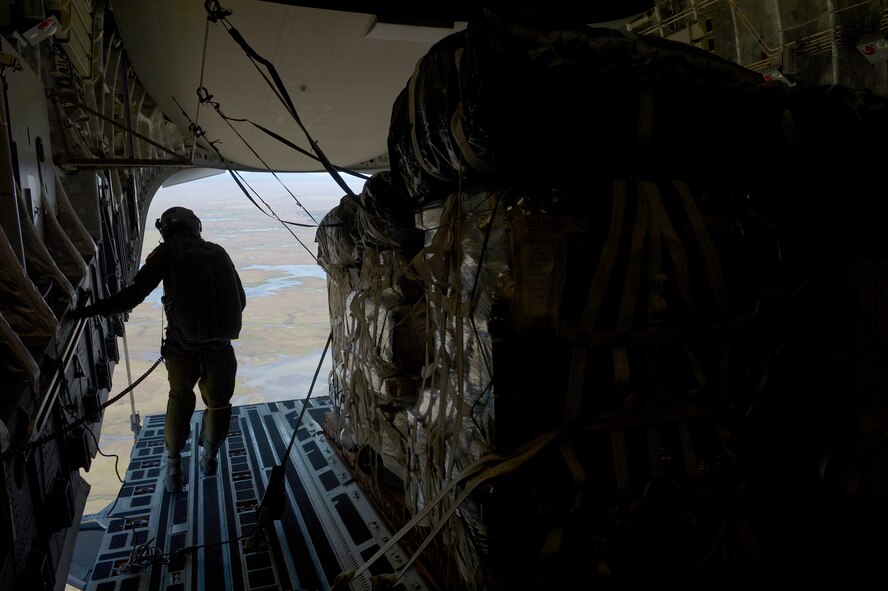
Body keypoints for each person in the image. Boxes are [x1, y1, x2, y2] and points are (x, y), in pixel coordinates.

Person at [73, 206, 246, 493]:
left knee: (179, 398)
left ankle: (174, 468)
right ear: (196, 226)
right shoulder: (218, 252)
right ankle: (210, 457)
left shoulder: (167, 253)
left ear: (166, 229)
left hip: (182, 348)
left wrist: (90, 311)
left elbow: (133, 296)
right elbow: (239, 299)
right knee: (218, 405)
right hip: (221, 347)